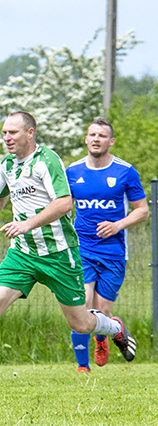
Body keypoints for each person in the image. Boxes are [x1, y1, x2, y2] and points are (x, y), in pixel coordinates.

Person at [0, 111, 136, 384]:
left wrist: (27, 224)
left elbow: (64, 203)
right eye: (4, 133)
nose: (7, 138)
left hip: (58, 254)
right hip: (23, 254)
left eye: (12, 132)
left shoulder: (47, 160)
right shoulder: (8, 165)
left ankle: (114, 327)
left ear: (30, 133)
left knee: (80, 323)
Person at [66, 119, 148, 371]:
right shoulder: (73, 171)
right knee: (82, 304)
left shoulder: (125, 171)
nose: (96, 139)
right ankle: (83, 367)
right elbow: (62, 206)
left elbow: (142, 211)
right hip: (82, 249)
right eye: (92, 134)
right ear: (86, 139)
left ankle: (104, 337)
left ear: (110, 141)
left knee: (102, 310)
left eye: (102, 135)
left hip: (113, 251)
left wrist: (117, 225)